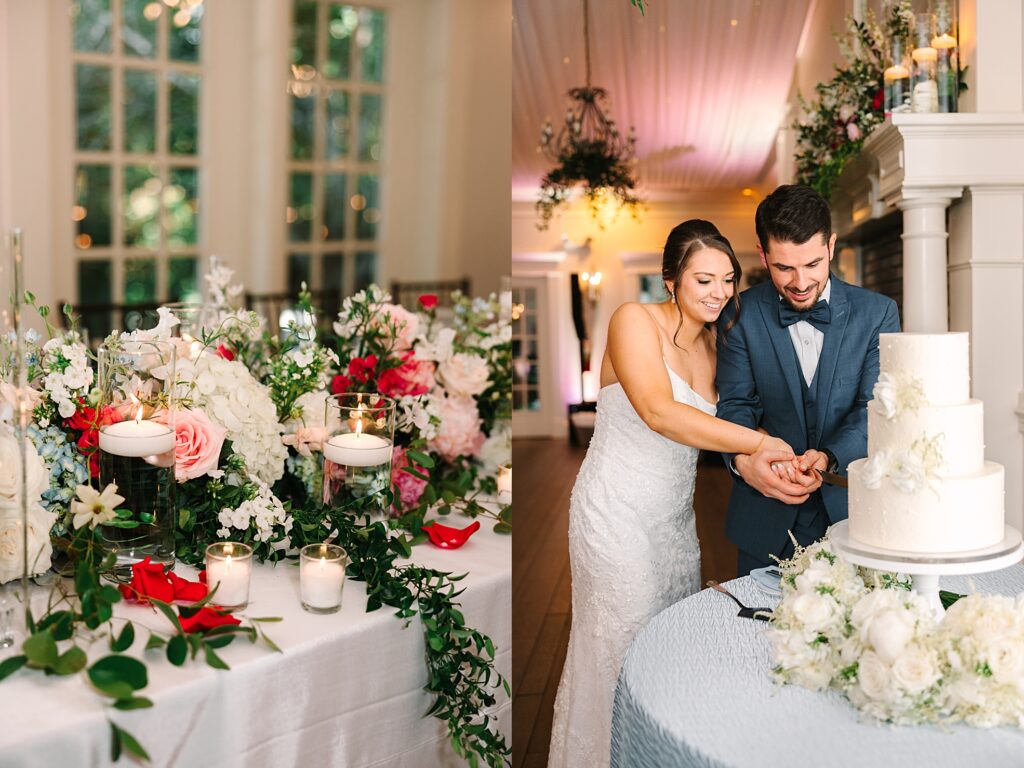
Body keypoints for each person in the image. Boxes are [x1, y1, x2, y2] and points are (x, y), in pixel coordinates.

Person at [548, 220, 794, 768]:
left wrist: (768, 464)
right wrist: (761, 441)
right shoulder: (632, 321)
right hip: (614, 512)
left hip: (675, 523)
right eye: (704, 279)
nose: (719, 292)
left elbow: (722, 428)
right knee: (621, 651)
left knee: (666, 652)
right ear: (670, 280)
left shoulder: (716, 344)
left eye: (727, 280)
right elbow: (661, 413)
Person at [715, 184, 900, 577]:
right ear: (763, 255)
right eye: (784, 267)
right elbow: (735, 406)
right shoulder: (738, 315)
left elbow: (876, 408)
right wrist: (744, 462)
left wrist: (830, 456)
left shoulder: (878, 314)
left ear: (831, 246)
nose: (800, 282)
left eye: (813, 264)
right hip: (763, 521)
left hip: (855, 517)